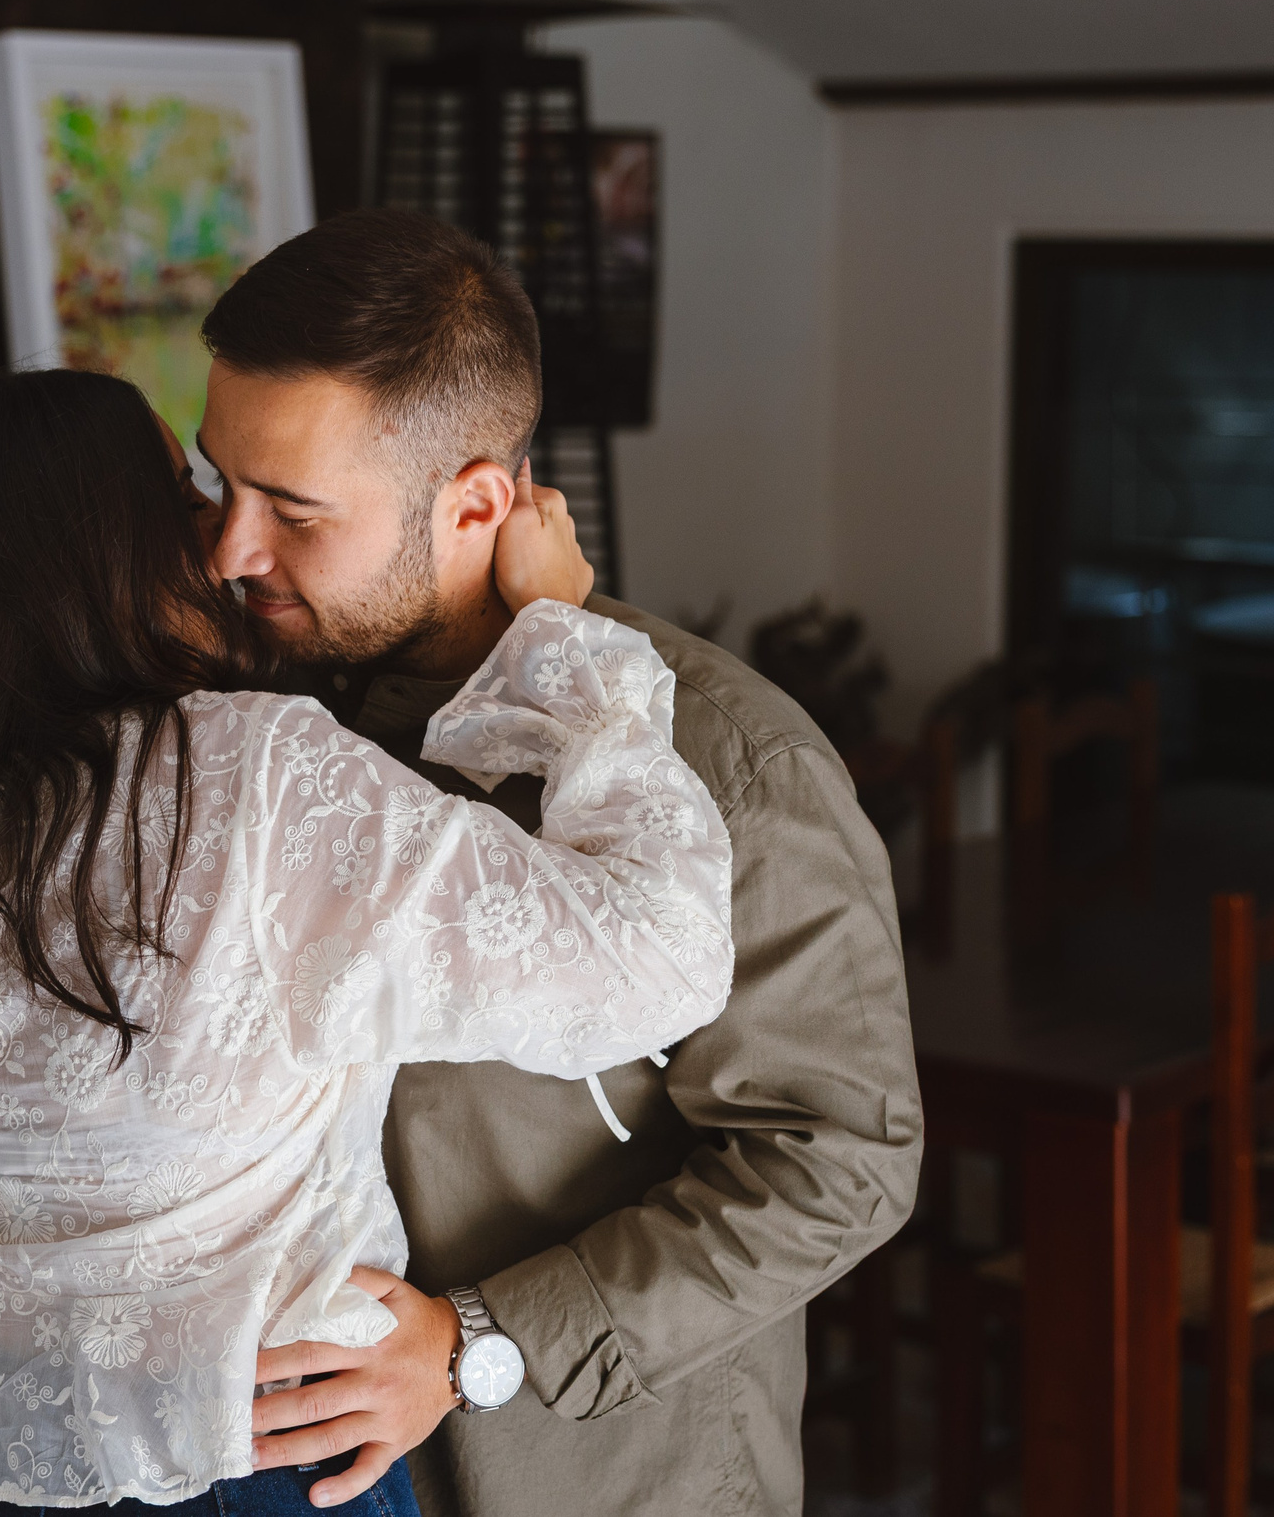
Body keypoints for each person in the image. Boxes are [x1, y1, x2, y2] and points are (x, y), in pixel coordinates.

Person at [0, 369, 739, 1516]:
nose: (224, 541)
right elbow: (659, 958)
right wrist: (562, 637)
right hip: (234, 1449)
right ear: (93, 547)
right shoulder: (249, 772)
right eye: (183, 491)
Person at [193, 210, 923, 1517]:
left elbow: (839, 1157)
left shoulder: (730, 766)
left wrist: (483, 1338)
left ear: (478, 500)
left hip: (588, 1479)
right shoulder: (263, 722)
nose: (231, 552)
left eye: (293, 510)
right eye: (221, 486)